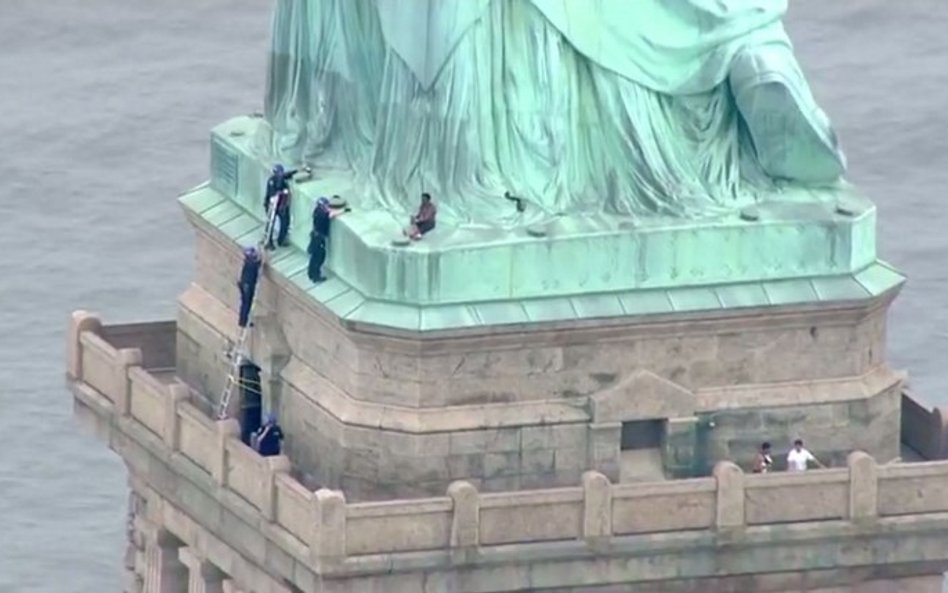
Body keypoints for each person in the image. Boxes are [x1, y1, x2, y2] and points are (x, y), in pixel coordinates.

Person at [237, 246, 262, 328]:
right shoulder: (251, 264)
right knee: (247, 304)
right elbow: (256, 265)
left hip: (244, 285)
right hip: (247, 286)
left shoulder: (247, 263)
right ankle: (244, 321)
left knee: (245, 303)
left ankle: (242, 321)